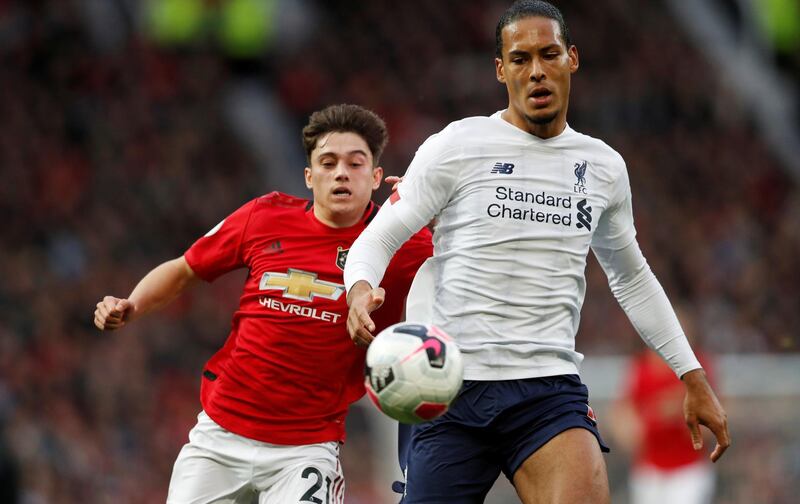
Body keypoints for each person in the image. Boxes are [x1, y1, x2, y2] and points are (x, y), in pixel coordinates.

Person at [343, 1, 730, 503]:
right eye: (521, 59)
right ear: (501, 70)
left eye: (548, 54)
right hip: (451, 388)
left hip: (547, 392)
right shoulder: (458, 145)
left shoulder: (603, 167)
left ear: (572, 58)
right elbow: (380, 236)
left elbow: (632, 278)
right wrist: (358, 288)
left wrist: (691, 374)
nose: (536, 71)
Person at [93, 104, 432, 504]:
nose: (341, 172)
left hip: (306, 448)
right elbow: (185, 268)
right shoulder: (264, 216)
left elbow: (472, 262)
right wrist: (131, 303)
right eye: (327, 162)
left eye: (355, 164)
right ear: (309, 176)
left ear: (376, 177)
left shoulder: (407, 243)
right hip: (221, 434)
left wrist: (433, 207)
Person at [609, 307, 717, 504]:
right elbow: (624, 414)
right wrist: (630, 429)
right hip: (649, 469)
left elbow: (711, 422)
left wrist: (678, 412)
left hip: (687, 468)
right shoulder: (640, 367)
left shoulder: (697, 367)